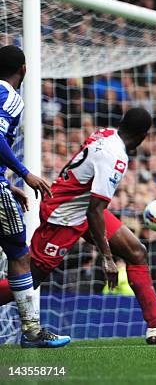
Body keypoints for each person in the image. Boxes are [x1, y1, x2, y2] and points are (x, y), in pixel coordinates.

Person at [0, 108, 156, 345]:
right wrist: (107, 258)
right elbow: (95, 210)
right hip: (63, 214)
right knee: (31, 279)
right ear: (143, 136)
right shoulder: (116, 157)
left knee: (136, 252)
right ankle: (30, 333)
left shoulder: (106, 133)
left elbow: (92, 205)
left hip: (81, 207)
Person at [0, 44, 70, 348]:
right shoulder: (10, 97)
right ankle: (31, 330)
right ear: (24, 70)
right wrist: (24, 174)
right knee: (19, 253)